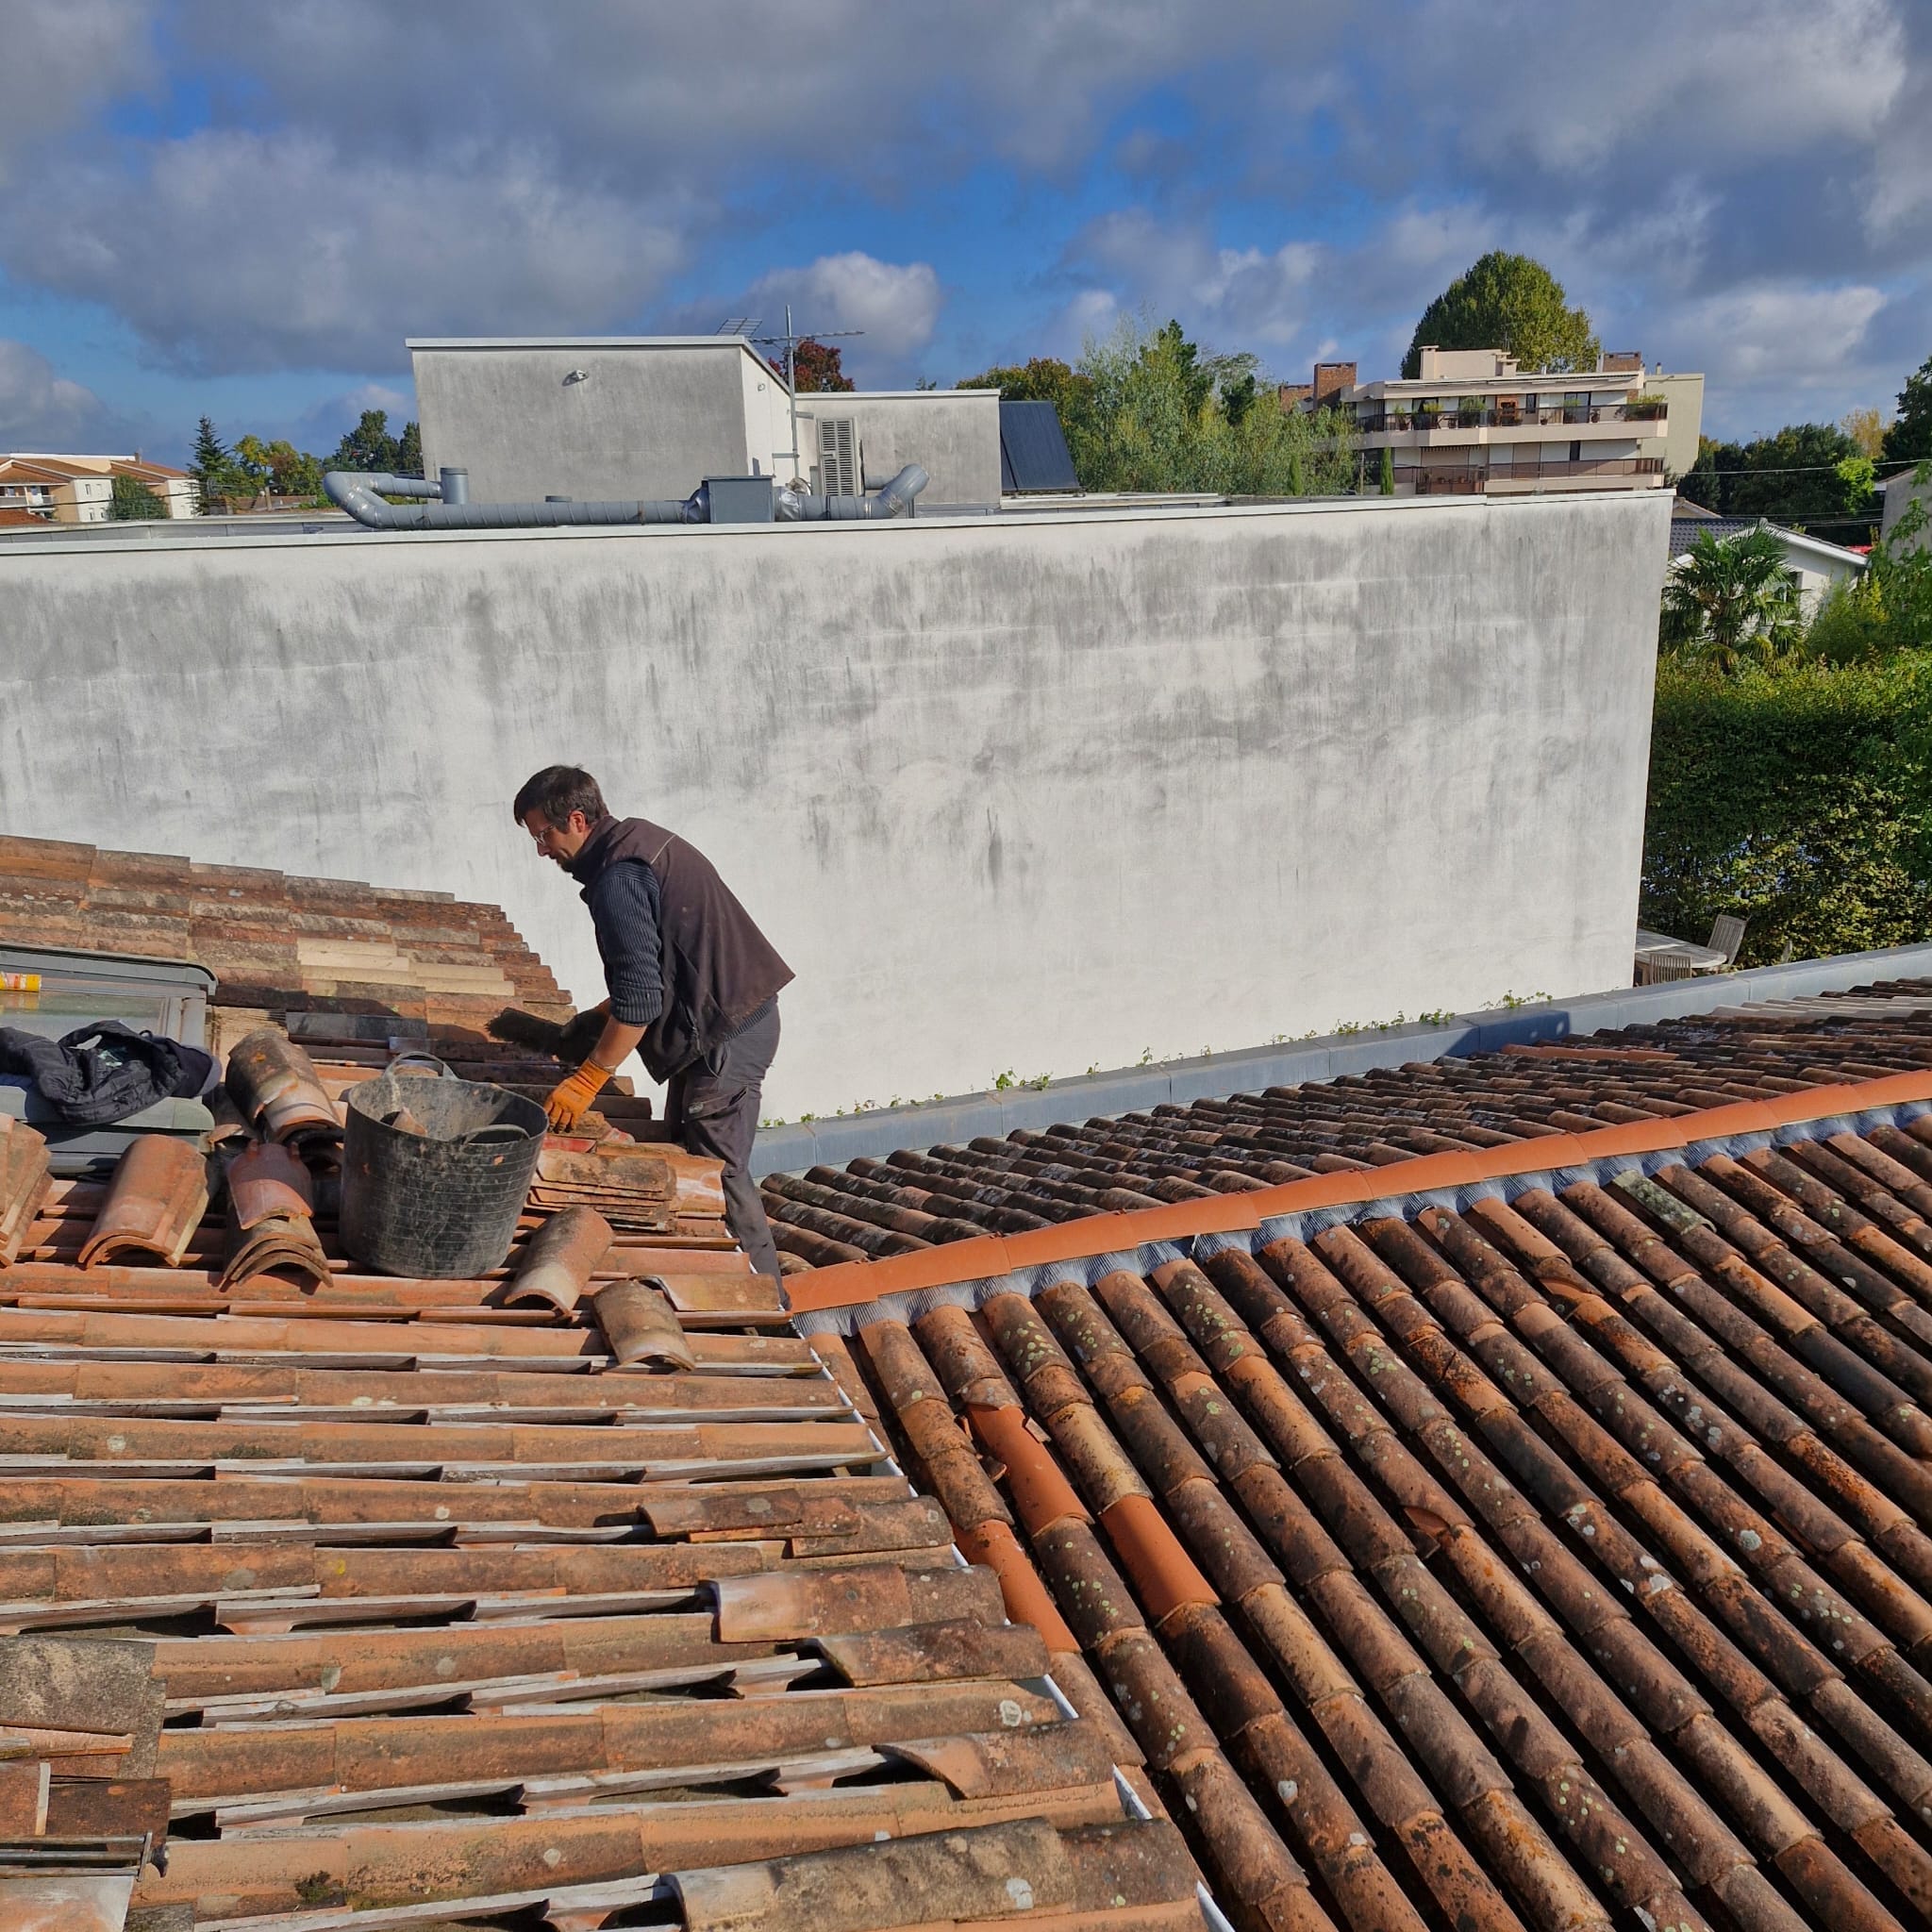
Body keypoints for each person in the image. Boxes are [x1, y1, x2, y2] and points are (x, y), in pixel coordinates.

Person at [512, 765, 791, 1284]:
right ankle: (711, 1278)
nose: (542, 850)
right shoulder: (638, 841)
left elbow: (641, 1002)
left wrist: (587, 1080)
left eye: (544, 835)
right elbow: (662, 963)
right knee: (683, 1153)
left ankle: (766, 1300)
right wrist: (602, 1014)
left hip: (727, 1036)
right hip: (720, 1024)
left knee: (716, 1178)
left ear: (577, 819)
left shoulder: (618, 877)